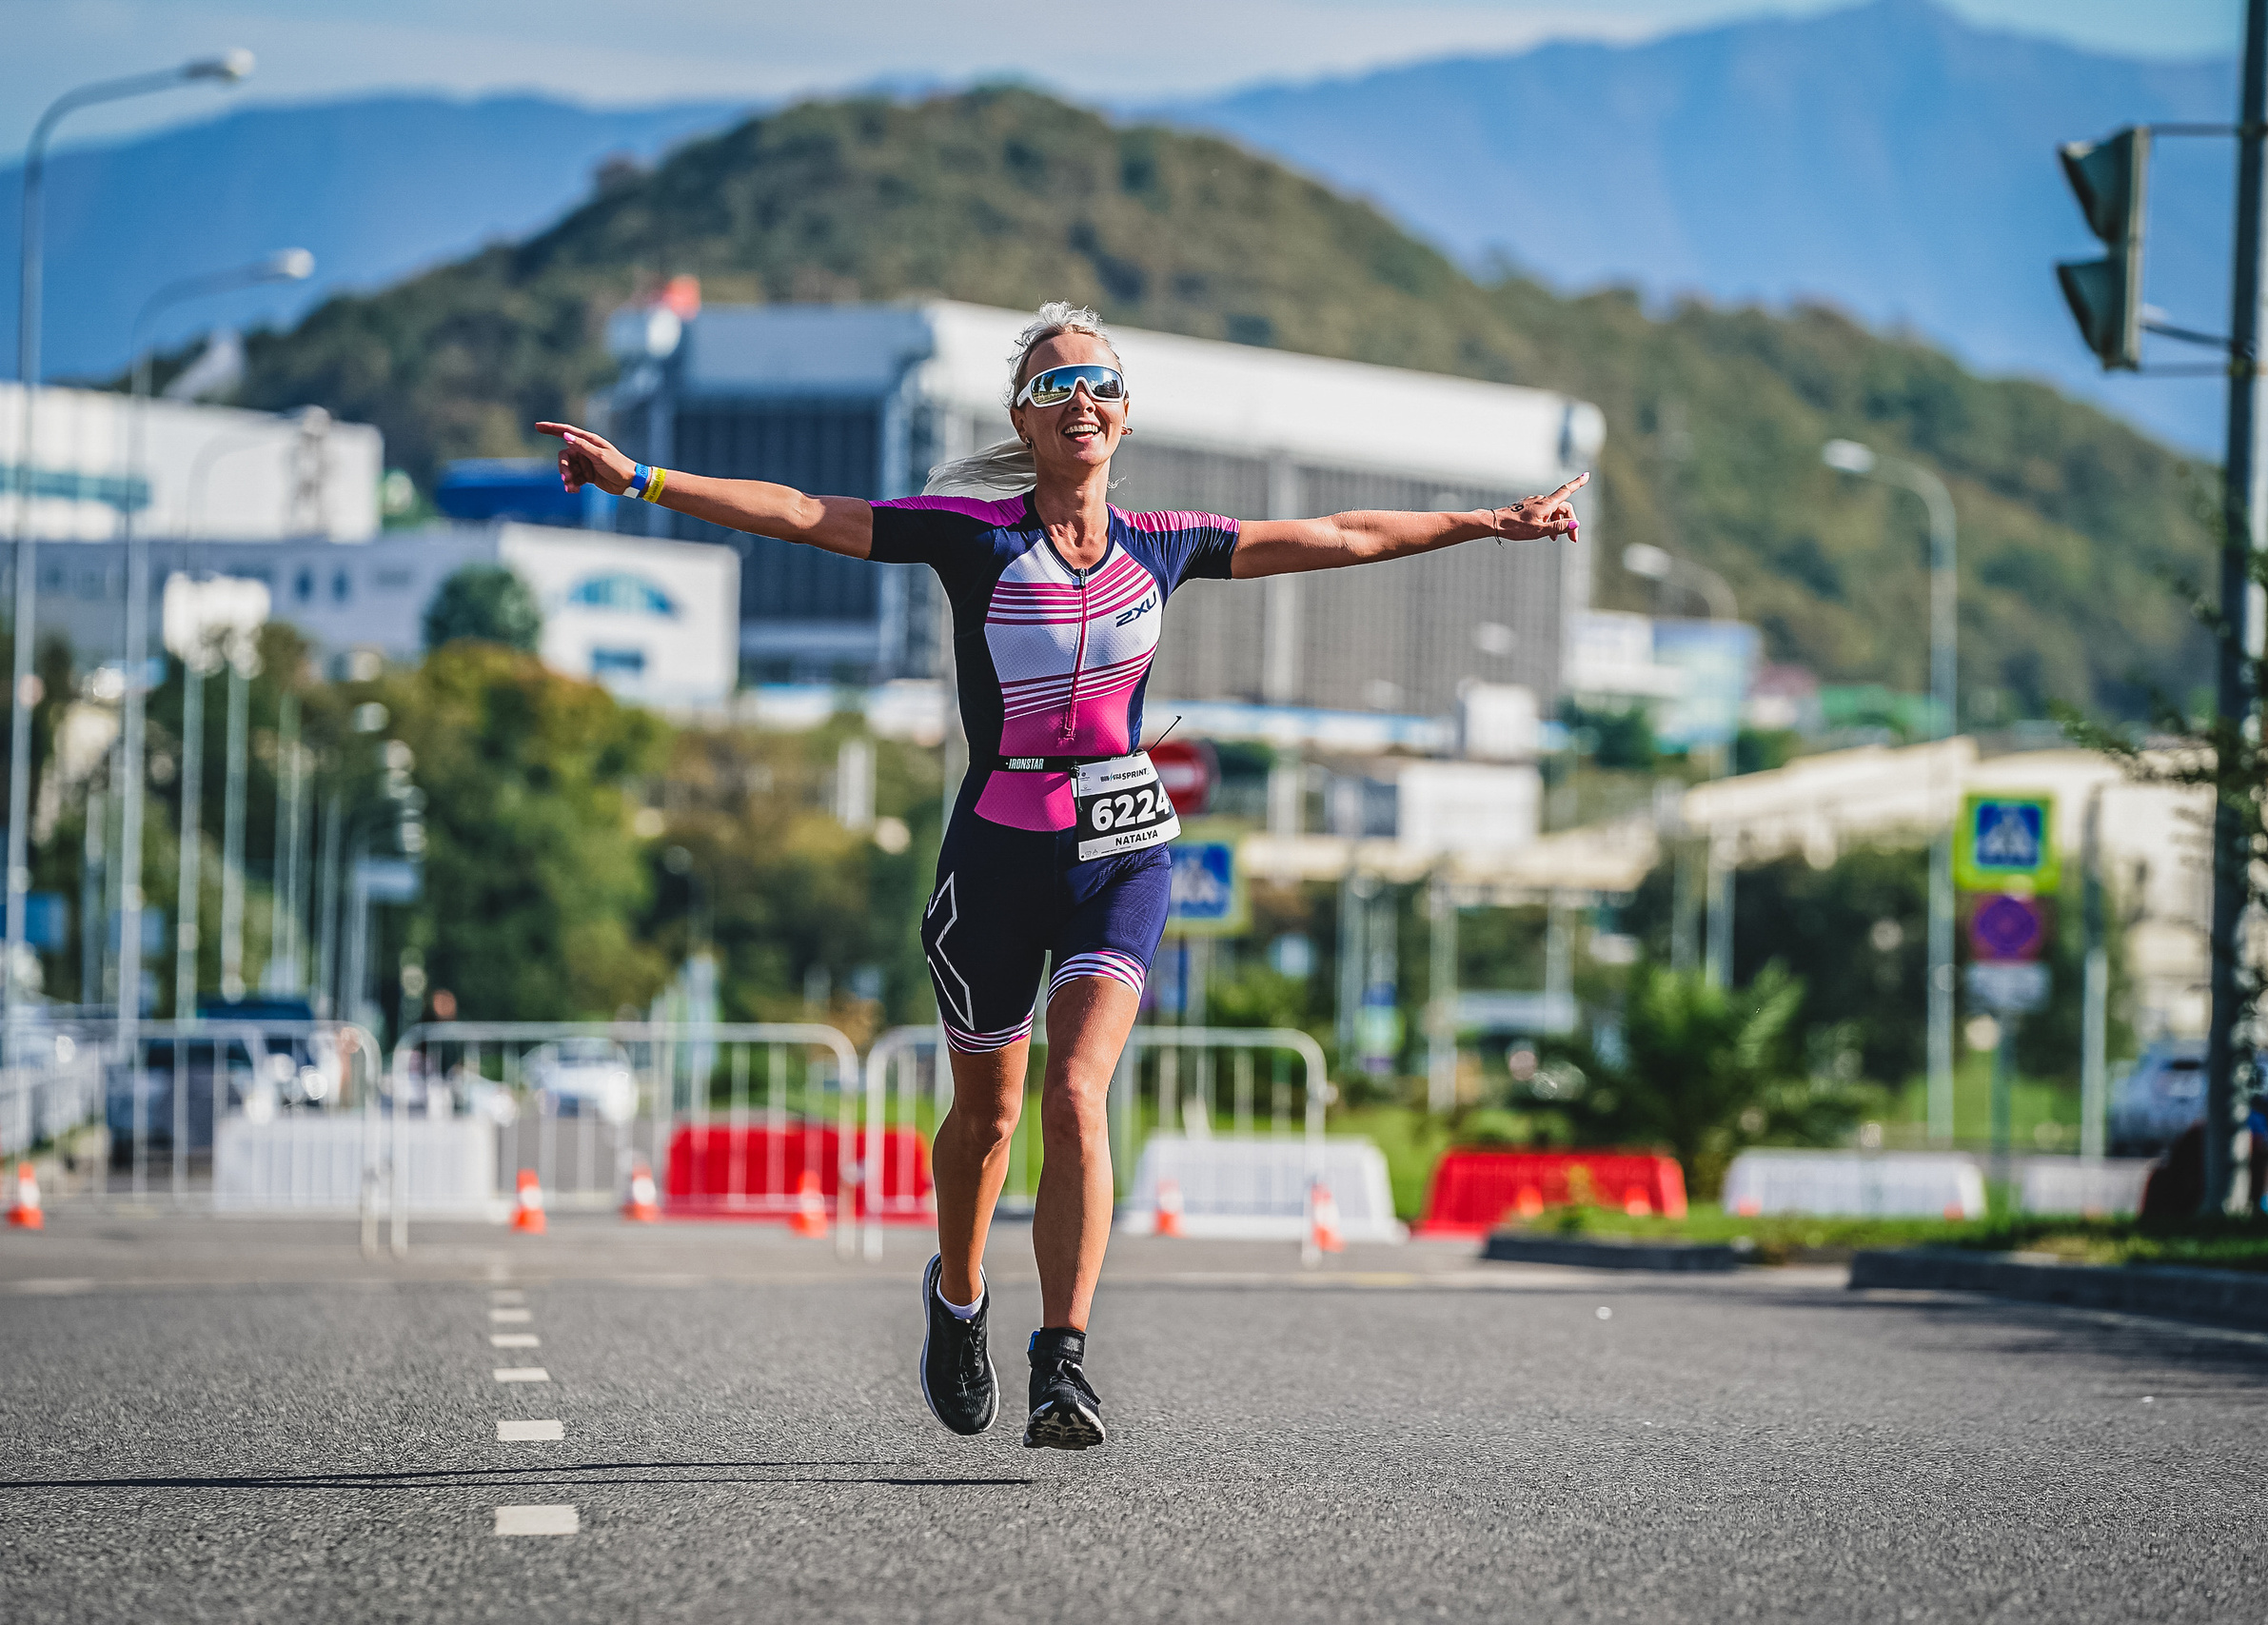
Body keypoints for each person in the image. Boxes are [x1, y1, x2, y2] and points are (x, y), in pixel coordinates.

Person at [540, 300, 1586, 1450]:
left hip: (1122, 853)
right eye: (1052, 388)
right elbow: (800, 512)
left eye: (1097, 384)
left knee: (1076, 1093)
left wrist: (1492, 522)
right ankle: (955, 1296)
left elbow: (1339, 536)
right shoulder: (966, 535)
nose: (1077, 400)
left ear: (1124, 417)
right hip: (996, 851)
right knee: (986, 1124)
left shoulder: (1167, 545)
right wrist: (638, 478)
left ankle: (1063, 1361)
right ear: (1022, 423)